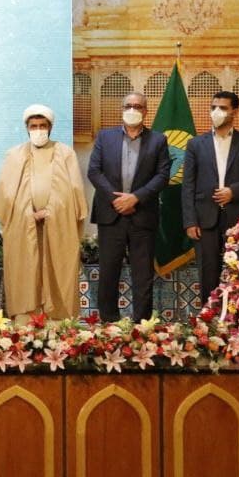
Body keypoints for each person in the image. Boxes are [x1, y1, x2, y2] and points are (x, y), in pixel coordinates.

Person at [0, 104, 87, 324]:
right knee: (25, 268)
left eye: (43, 125)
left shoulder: (65, 153)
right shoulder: (14, 155)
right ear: (27, 128)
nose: (38, 130)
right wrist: (26, 213)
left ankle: (58, 318)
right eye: (33, 126)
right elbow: (5, 196)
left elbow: (74, 192)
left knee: (58, 268)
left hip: (58, 224)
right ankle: (25, 317)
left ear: (50, 127)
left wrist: (51, 210)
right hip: (23, 225)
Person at [87, 92, 171, 322]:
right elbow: (94, 171)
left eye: (138, 106)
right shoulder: (105, 137)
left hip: (142, 215)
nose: (132, 109)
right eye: (128, 105)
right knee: (108, 272)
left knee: (143, 275)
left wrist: (135, 198)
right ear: (122, 109)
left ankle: (141, 326)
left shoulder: (158, 140)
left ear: (146, 111)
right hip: (110, 214)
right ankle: (109, 323)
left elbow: (163, 175)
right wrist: (117, 199)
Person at [182, 90, 239, 303]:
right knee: (207, 272)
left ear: (234, 112)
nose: (216, 112)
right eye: (213, 107)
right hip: (204, 219)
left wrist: (234, 192)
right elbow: (188, 185)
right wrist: (190, 221)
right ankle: (208, 316)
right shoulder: (196, 144)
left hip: (238, 219)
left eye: (222, 108)